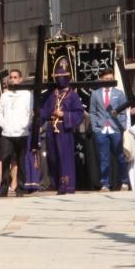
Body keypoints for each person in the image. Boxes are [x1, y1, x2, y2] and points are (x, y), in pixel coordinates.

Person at [39, 60, 84, 195]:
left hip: (64, 130)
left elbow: (79, 113)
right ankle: (56, 183)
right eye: (57, 78)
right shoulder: (52, 94)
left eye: (62, 77)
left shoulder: (73, 95)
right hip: (52, 130)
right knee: (52, 157)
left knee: (65, 157)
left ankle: (67, 185)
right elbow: (44, 111)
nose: (60, 80)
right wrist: (38, 123)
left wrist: (63, 114)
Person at [90, 69, 129, 192]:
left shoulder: (119, 93)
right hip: (101, 129)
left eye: (111, 79)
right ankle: (105, 183)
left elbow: (123, 111)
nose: (109, 81)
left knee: (120, 156)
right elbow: (93, 112)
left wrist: (121, 126)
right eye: (106, 79)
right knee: (104, 158)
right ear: (102, 79)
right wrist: (95, 127)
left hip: (115, 128)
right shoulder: (95, 94)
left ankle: (124, 181)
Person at [0, 69, 33, 197]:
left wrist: (24, 125)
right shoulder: (4, 95)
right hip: (7, 133)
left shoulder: (27, 94)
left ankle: (20, 187)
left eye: (15, 77)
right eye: (11, 77)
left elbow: (30, 113)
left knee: (20, 160)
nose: (13, 79)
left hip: (21, 132)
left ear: (20, 79)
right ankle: (4, 187)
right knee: (5, 159)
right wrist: (3, 124)